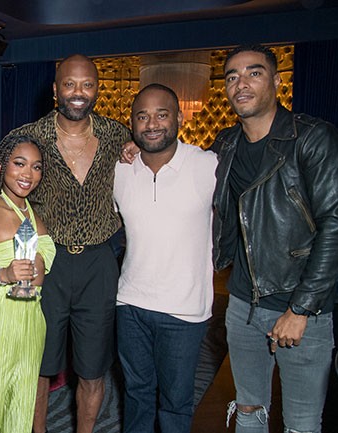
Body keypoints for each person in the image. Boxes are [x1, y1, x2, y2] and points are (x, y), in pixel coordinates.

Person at [214, 44, 338, 432]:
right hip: (243, 305)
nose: (241, 83)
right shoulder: (225, 144)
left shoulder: (313, 139)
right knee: (248, 413)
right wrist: (135, 149)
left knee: (301, 424)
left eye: (253, 73)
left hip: (300, 311)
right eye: (232, 76)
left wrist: (301, 309)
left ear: (277, 81)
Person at [0, 54, 131, 433]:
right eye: (69, 84)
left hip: (99, 264)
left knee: (93, 369)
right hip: (45, 263)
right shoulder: (28, 138)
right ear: (55, 89)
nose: (78, 93)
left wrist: (136, 150)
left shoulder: (118, 136)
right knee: (40, 366)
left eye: (87, 85)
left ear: (97, 90)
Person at [113, 84, 216, 433]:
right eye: (142, 116)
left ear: (179, 118)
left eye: (161, 114)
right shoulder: (120, 171)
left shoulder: (207, 165)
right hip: (129, 305)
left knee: (175, 404)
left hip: (184, 311)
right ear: (131, 124)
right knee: (137, 396)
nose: (152, 123)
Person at [0, 135, 56, 433]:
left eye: (36, 167)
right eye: (19, 164)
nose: (27, 174)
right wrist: (3, 274)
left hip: (30, 322)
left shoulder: (35, 215)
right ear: (2, 166)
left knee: (19, 413)